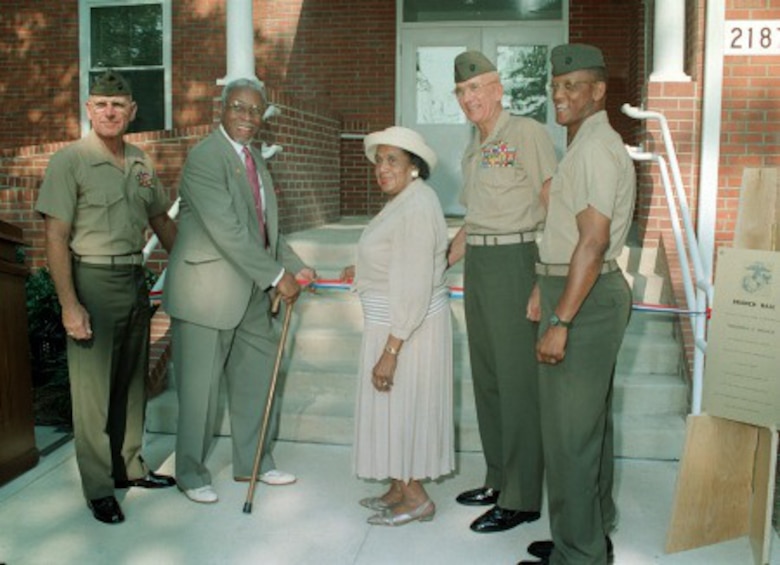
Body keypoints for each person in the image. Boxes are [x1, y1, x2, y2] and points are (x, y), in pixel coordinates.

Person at [163, 77, 316, 504]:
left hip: (250, 292)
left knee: (256, 379)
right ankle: (190, 474)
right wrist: (275, 277)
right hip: (205, 295)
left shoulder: (255, 160)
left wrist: (296, 266)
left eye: (255, 111)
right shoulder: (205, 158)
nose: (248, 118)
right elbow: (228, 231)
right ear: (222, 108)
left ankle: (255, 463)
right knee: (200, 393)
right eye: (239, 108)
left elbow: (265, 231)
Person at [35, 70, 178, 524]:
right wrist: (69, 303)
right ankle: (99, 487)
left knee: (130, 383)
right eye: (101, 104)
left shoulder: (140, 161)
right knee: (93, 394)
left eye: (118, 104)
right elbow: (55, 237)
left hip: (135, 279)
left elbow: (162, 221)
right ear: (88, 109)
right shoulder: (70, 161)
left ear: (133, 110)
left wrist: (196, 264)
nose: (110, 112)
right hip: (92, 281)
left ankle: (129, 468)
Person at [519, 44, 636, 565]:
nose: (560, 93)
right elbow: (567, 232)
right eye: (556, 84)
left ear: (599, 91)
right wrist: (542, 290)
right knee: (589, 428)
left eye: (573, 85)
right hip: (575, 289)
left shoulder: (593, 148)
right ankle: (588, 532)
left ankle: (579, 555)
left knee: (570, 440)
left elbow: (591, 242)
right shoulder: (588, 142)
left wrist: (560, 319)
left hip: (583, 301)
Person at [447, 50, 557, 533]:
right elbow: (473, 220)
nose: (469, 98)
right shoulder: (474, 146)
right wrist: (435, 260)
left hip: (517, 261)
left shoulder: (527, 134)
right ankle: (498, 478)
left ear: (497, 89)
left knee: (517, 384)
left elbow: (554, 205)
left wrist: (542, 280)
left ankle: (523, 496)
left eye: (477, 88)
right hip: (481, 265)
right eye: (461, 92)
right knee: (488, 377)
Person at [340, 126, 454, 526]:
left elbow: (415, 282)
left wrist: (391, 351)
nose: (382, 168)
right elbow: (396, 257)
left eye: (393, 160)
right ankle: (398, 485)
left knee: (403, 409)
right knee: (390, 409)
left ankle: (417, 498)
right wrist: (365, 268)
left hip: (408, 329)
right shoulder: (405, 200)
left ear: (413, 168)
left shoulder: (418, 205)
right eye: (379, 160)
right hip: (392, 322)